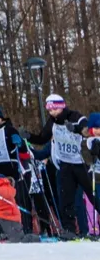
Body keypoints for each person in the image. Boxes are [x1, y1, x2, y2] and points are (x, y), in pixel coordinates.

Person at [27, 94, 94, 239]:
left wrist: (75, 128)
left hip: (81, 163)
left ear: (62, 106)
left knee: (91, 196)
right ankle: (69, 231)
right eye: (50, 110)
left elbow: (87, 130)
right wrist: (28, 136)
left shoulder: (74, 115)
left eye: (55, 109)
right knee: (66, 200)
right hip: (65, 166)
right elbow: (42, 138)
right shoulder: (52, 123)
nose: (52, 113)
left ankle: (86, 230)